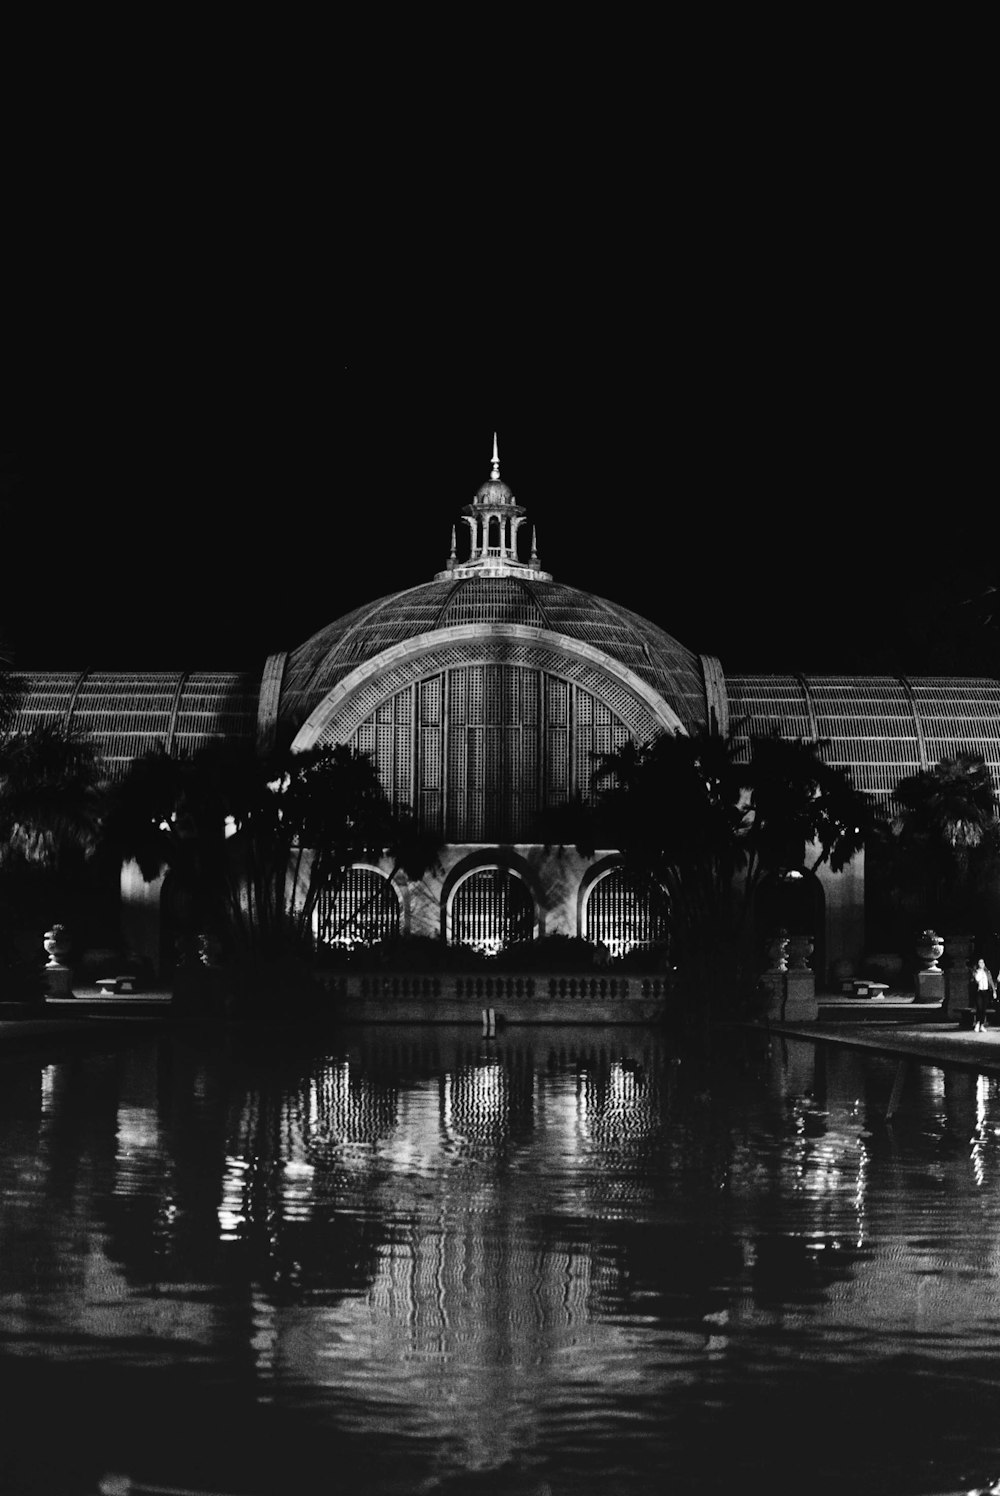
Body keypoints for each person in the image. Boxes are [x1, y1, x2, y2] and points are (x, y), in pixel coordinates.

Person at [971, 958, 996, 1032]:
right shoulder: (976, 972)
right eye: (980, 962)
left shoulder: (987, 972)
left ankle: (981, 1024)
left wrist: (994, 991)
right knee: (979, 1007)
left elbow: (990, 981)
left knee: (984, 1009)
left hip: (986, 992)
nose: (981, 964)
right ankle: (977, 1023)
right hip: (979, 992)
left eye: (982, 962)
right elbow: (976, 980)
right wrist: (980, 973)